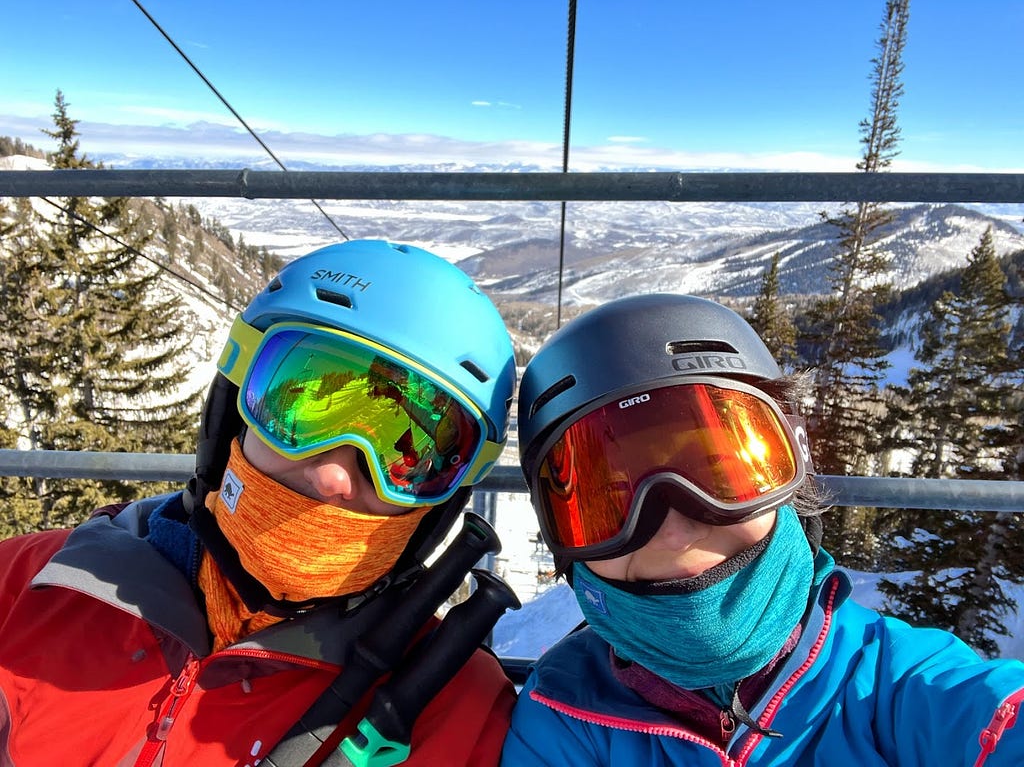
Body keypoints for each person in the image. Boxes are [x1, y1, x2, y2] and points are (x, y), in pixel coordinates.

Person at [0, 239, 518, 766]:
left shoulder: (452, 706)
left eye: (406, 456)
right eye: (299, 405)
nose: (334, 475)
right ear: (230, 416)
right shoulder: (29, 584)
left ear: (442, 504)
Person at [501, 293, 1024, 766]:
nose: (674, 532)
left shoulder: (901, 685)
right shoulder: (564, 714)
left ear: (792, 469)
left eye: (718, 473)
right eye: (608, 499)